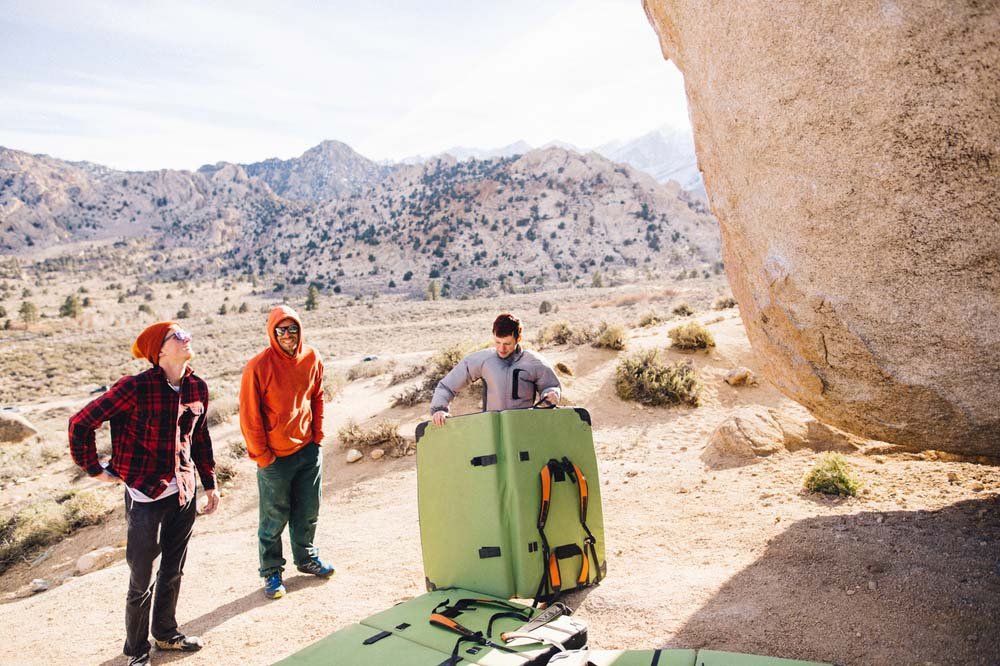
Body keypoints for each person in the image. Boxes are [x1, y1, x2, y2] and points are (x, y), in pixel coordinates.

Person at [69, 321, 219, 666]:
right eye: (177, 336)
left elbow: (200, 439)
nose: (187, 339)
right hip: (145, 496)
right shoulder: (134, 387)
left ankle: (166, 634)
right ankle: (136, 650)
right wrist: (95, 469)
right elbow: (81, 422)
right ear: (160, 350)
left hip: (182, 490)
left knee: (173, 568)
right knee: (142, 578)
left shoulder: (197, 386)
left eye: (186, 334)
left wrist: (209, 484)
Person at [240, 305, 332, 600]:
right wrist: (262, 455)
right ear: (272, 332)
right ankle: (271, 572)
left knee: (308, 510)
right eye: (282, 330)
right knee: (274, 517)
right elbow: (250, 415)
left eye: (293, 329)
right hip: (274, 457)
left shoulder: (311, 357)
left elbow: (316, 396)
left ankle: (306, 558)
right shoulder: (258, 366)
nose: (288, 335)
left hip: (307, 450)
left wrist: (317, 436)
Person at [431, 312, 561, 426]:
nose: (501, 349)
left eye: (507, 343)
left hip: (526, 428)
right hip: (491, 431)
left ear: (518, 339)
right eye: (497, 342)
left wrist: (551, 394)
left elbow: (551, 386)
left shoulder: (535, 362)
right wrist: (439, 409)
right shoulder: (482, 360)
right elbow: (446, 386)